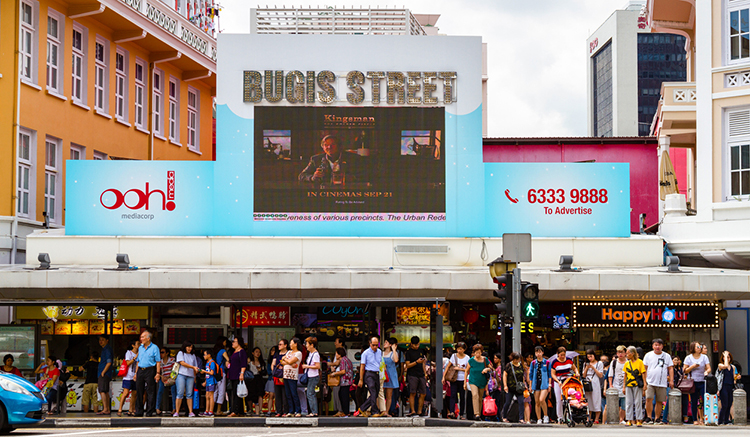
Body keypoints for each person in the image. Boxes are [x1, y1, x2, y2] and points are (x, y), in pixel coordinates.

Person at [298, 135, 369, 184]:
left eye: (333, 144)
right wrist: (312, 178)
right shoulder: (316, 159)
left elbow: (366, 175)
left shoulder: (353, 158)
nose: (329, 147)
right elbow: (301, 176)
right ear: (323, 147)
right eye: (326, 145)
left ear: (339, 146)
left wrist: (348, 178)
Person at [642, 338, 673, 424]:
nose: (657, 347)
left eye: (659, 345)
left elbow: (670, 368)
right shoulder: (648, 355)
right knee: (649, 399)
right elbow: (644, 368)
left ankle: (657, 418)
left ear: (662, 346)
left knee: (660, 400)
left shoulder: (667, 356)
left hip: (662, 382)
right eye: (656, 345)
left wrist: (671, 380)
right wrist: (644, 381)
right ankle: (648, 417)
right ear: (653, 346)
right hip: (650, 381)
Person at [683, 341, 711, 425]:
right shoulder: (688, 358)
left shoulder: (704, 357)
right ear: (693, 348)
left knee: (705, 399)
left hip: (702, 381)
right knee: (694, 401)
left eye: (700, 347)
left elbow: (709, 368)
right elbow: (685, 370)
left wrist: (707, 372)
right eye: (697, 347)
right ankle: (695, 419)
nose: (699, 348)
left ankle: (706, 418)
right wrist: (692, 366)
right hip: (693, 382)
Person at [355, 336, 384, 417]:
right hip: (369, 374)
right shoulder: (365, 353)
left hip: (377, 374)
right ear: (370, 344)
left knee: (376, 393)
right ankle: (375, 411)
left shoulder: (379, 352)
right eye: (373, 345)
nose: (375, 347)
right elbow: (362, 366)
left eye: (376, 345)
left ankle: (362, 408)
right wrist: (361, 379)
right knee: (373, 391)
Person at [134, 331, 160, 417]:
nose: (141, 339)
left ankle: (149, 411)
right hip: (141, 370)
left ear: (148, 338)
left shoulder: (155, 347)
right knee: (139, 390)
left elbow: (158, 362)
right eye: (141, 337)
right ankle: (139, 411)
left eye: (143, 337)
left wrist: (158, 373)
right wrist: (136, 373)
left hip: (150, 370)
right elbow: (138, 361)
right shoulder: (140, 348)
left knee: (150, 391)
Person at [550, 346, 579, 424]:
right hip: (558, 381)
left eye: (564, 355)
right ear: (558, 354)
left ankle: (568, 415)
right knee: (559, 400)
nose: (562, 357)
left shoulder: (569, 360)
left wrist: (576, 372)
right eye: (561, 355)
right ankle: (559, 417)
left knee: (569, 398)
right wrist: (558, 381)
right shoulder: (555, 362)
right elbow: (553, 374)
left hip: (567, 381)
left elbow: (574, 368)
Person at [464, 343, 492, 421]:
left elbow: (491, 368)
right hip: (473, 380)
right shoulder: (471, 360)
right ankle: (476, 413)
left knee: (480, 398)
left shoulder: (485, 360)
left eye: (479, 352)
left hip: (482, 381)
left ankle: (478, 414)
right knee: (475, 395)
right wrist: (464, 383)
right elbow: (466, 371)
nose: (477, 354)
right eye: (476, 352)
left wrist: (486, 369)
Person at [174, 340, 200, 417]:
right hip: (181, 374)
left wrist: (195, 376)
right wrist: (192, 367)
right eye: (188, 347)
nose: (189, 348)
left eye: (191, 347)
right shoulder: (180, 353)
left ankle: (190, 412)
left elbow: (195, 368)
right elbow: (182, 363)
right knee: (180, 393)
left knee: (189, 394)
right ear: (185, 347)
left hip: (191, 376)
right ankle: (177, 412)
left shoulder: (193, 356)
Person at [443, 341, 469, 420]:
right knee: (453, 395)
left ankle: (461, 414)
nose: (459, 350)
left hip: (462, 379)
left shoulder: (467, 357)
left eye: (461, 349)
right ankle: (452, 412)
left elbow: (468, 370)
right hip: (454, 379)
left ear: (464, 349)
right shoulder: (454, 356)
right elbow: (448, 366)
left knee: (462, 396)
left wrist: (460, 369)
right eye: (458, 349)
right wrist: (443, 376)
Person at [404, 336, 428, 417]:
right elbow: (407, 365)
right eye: (415, 345)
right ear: (411, 344)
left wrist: (425, 373)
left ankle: (420, 411)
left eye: (417, 345)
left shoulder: (421, 351)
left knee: (423, 393)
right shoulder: (408, 352)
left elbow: (424, 364)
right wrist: (416, 362)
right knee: (413, 393)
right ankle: (413, 411)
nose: (416, 346)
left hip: (421, 374)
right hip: (412, 374)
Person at [623, 346, 647, 427]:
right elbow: (625, 375)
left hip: (637, 384)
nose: (626, 355)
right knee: (628, 402)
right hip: (628, 384)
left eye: (627, 353)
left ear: (632, 353)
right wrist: (623, 386)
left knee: (638, 402)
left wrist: (645, 384)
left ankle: (639, 420)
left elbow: (643, 373)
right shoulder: (627, 363)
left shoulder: (640, 362)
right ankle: (629, 419)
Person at [502, 352, 526, 423]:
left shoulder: (521, 365)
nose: (518, 360)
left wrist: (524, 385)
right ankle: (504, 416)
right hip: (511, 386)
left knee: (521, 402)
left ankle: (521, 418)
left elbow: (522, 376)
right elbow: (505, 375)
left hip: (519, 387)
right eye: (516, 359)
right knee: (508, 402)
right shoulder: (509, 365)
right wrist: (505, 385)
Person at [281, 337, 302, 417]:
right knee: (288, 394)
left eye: (291, 343)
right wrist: (290, 363)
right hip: (285, 375)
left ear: (295, 344)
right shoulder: (289, 352)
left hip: (292, 376)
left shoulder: (298, 353)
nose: (290, 344)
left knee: (294, 393)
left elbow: (287, 360)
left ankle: (298, 410)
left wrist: (287, 360)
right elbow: (282, 361)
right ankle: (291, 411)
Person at [227, 337, 248, 417]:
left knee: (237, 393)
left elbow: (243, 364)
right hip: (232, 374)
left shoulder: (242, 352)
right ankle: (240, 411)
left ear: (238, 343)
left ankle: (235, 410)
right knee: (234, 393)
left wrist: (242, 373)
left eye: (234, 341)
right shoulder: (234, 352)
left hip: (238, 375)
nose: (232, 343)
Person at [529, 346, 550, 424]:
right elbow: (530, 374)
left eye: (540, 352)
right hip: (535, 383)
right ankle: (539, 418)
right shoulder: (533, 363)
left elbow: (549, 374)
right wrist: (530, 386)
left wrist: (550, 385)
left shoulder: (547, 362)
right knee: (537, 402)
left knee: (542, 400)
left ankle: (545, 415)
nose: (538, 354)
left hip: (544, 383)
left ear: (542, 353)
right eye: (536, 352)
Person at [608, 345, 628, 424]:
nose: (620, 354)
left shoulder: (628, 362)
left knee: (624, 404)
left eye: (622, 352)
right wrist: (610, 385)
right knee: (615, 404)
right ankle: (615, 418)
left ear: (625, 353)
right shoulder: (614, 362)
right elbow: (610, 375)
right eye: (618, 352)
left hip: (625, 386)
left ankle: (621, 419)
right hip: (615, 385)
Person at [118, 339, 139, 417]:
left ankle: (131, 409)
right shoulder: (129, 353)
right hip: (127, 376)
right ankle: (120, 408)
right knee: (126, 392)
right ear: (133, 345)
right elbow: (127, 363)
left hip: (135, 376)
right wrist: (135, 358)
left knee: (134, 393)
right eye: (137, 344)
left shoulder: (140, 353)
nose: (139, 345)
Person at [717, 350, 738, 425]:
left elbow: (733, 378)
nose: (727, 359)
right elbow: (725, 366)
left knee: (729, 404)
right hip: (723, 387)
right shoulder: (720, 365)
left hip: (730, 386)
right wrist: (725, 356)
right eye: (726, 357)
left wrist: (736, 378)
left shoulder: (732, 367)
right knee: (724, 404)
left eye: (728, 357)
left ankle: (726, 420)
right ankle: (720, 420)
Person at [330, 347, 353, 417]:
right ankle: (345, 411)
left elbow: (343, 371)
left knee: (344, 396)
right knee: (343, 395)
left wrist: (334, 374)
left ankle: (345, 412)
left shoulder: (343, 360)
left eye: (336, 354)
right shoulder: (347, 359)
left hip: (345, 381)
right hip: (348, 380)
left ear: (339, 354)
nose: (336, 355)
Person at [583, 349, 604, 424]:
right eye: (588, 357)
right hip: (588, 381)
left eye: (591, 356)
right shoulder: (586, 363)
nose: (590, 358)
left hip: (595, 381)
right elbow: (584, 375)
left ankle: (596, 419)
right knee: (588, 400)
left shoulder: (599, 363)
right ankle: (589, 417)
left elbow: (600, 375)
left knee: (596, 399)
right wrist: (586, 368)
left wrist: (594, 368)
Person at [302, 338, 320, 417]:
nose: (306, 346)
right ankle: (313, 411)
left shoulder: (315, 354)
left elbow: (317, 366)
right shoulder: (311, 353)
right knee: (310, 393)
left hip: (313, 376)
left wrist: (307, 366)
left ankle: (314, 412)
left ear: (312, 345)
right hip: (310, 375)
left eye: (307, 344)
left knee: (310, 393)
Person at [212, 337, 230, 416]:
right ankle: (218, 410)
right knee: (221, 391)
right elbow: (228, 359)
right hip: (221, 372)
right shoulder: (223, 351)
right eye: (225, 342)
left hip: (214, 373)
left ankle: (211, 409)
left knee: (215, 391)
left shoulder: (215, 351)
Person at [382, 337, 400, 418]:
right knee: (380, 394)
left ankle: (386, 411)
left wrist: (394, 350)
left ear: (390, 344)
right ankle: (381, 410)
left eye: (386, 342)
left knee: (389, 395)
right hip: (382, 374)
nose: (384, 343)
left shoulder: (393, 354)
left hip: (390, 375)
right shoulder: (381, 353)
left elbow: (396, 360)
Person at [247, 347, 266, 416]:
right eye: (256, 352)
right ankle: (250, 409)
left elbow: (264, 372)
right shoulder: (249, 362)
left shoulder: (262, 362)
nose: (258, 353)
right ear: (253, 353)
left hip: (259, 378)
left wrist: (261, 370)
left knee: (260, 394)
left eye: (259, 352)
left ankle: (260, 410)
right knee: (250, 394)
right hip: (251, 378)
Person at [272, 339, 289, 417]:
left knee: (285, 394)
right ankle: (278, 411)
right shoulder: (276, 354)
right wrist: (275, 371)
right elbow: (273, 364)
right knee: (277, 394)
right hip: (277, 376)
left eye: (280, 344)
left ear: (285, 345)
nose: (279, 346)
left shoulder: (288, 354)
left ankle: (285, 411)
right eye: (278, 344)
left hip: (285, 376)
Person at [97, 335, 113, 415]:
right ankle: (107, 408)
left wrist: (103, 372)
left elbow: (109, 362)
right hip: (105, 373)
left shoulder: (107, 350)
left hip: (104, 373)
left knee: (102, 391)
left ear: (107, 340)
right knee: (105, 391)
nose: (101, 341)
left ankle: (105, 409)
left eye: (102, 340)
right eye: (100, 340)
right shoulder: (105, 349)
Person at [156, 348, 175, 415]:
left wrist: (168, 376)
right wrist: (162, 377)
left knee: (173, 392)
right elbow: (158, 371)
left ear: (167, 353)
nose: (161, 354)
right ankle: (157, 408)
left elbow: (174, 370)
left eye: (163, 352)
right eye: (160, 352)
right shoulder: (160, 361)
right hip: (163, 378)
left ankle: (174, 408)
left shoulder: (172, 360)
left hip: (171, 378)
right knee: (160, 390)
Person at [199, 349, 217, 416]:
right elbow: (207, 374)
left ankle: (211, 411)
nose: (204, 356)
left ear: (209, 355)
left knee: (211, 396)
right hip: (208, 381)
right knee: (207, 396)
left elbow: (212, 373)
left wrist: (204, 371)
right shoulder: (207, 362)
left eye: (205, 354)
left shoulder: (212, 362)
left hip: (212, 381)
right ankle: (206, 410)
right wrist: (205, 381)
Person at [264, 346, 277, 416]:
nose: (272, 352)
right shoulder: (269, 361)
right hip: (271, 379)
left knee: (277, 395)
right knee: (271, 395)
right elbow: (269, 371)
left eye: (274, 350)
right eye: (271, 350)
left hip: (276, 378)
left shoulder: (278, 360)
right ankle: (269, 411)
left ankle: (277, 410)